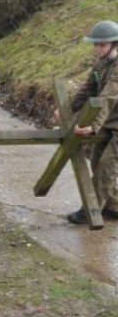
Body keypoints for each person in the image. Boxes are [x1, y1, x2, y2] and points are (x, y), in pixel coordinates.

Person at [54, 20, 118, 224]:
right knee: (96, 160)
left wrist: (94, 125)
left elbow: (109, 97)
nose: (97, 48)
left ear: (114, 44)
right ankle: (113, 206)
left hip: (111, 121)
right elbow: (88, 88)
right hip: (110, 121)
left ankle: (90, 210)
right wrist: (67, 109)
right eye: (95, 44)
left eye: (102, 44)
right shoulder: (100, 64)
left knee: (106, 165)